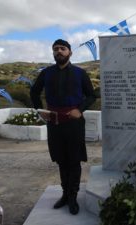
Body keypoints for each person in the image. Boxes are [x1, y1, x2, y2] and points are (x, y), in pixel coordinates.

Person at [30, 39, 96, 215]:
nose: (59, 51)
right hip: (54, 123)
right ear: (53, 53)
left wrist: (79, 110)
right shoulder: (46, 73)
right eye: (56, 49)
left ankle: (73, 197)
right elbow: (34, 92)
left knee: (74, 160)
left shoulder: (80, 73)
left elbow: (91, 96)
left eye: (62, 48)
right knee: (60, 159)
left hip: (74, 123)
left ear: (70, 52)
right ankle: (65, 194)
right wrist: (39, 110)